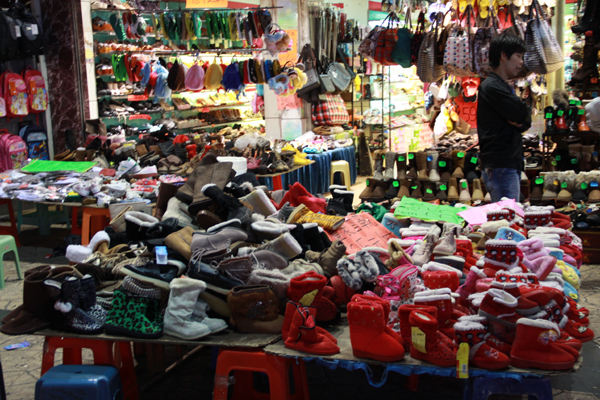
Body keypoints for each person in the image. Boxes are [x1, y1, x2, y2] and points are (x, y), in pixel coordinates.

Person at [477, 33, 532, 202]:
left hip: (505, 164)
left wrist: (522, 122)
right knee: (507, 219)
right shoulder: (492, 86)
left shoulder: (501, 86)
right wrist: (521, 119)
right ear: (503, 56)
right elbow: (522, 112)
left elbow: (524, 119)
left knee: (509, 218)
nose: (521, 62)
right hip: (501, 165)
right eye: (518, 56)